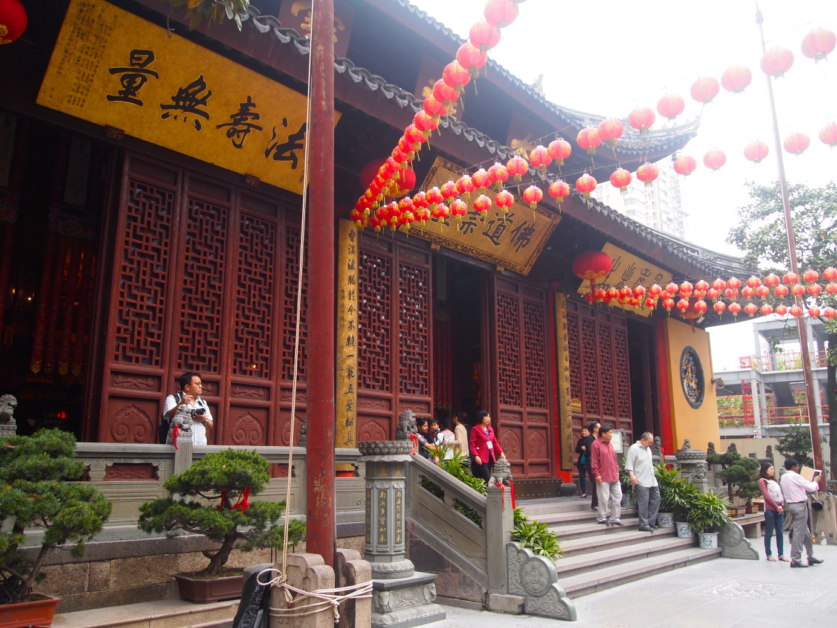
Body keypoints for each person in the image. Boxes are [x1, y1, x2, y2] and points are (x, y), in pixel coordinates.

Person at [779, 458, 824, 568]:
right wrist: (816, 481)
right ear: (794, 467)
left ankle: (810, 556)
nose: (798, 468)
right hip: (799, 505)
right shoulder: (795, 476)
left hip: (791, 505)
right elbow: (811, 487)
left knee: (805, 531)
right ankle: (795, 558)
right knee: (799, 532)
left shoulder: (783, 477)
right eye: (797, 466)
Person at [163, 371, 213, 446]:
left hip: (200, 445)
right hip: (178, 444)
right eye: (197, 384)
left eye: (201, 383)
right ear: (187, 387)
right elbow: (170, 415)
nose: (201, 386)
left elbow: (210, 425)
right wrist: (181, 404)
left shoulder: (202, 403)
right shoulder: (173, 399)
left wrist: (204, 420)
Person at [625, 431, 659, 532]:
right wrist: (632, 475)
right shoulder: (634, 448)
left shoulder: (648, 449)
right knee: (643, 503)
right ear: (643, 440)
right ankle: (643, 524)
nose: (650, 444)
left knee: (656, 499)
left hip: (652, 480)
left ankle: (650, 522)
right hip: (641, 480)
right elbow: (629, 464)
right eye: (649, 442)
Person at [591, 426, 622, 527]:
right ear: (603, 434)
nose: (611, 435)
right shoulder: (596, 444)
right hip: (603, 475)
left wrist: (617, 471)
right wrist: (596, 474)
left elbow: (614, 459)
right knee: (603, 498)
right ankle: (602, 517)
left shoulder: (610, 445)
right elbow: (594, 461)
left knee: (618, 496)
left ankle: (615, 517)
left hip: (613, 474)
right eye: (610, 433)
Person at [758, 462, 787, 562]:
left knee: (780, 532)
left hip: (779, 508)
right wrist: (776, 506)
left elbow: (780, 494)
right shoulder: (762, 481)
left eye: (773, 469)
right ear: (765, 470)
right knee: (769, 532)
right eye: (771, 469)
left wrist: (781, 505)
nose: (773, 471)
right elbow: (767, 496)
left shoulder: (774, 481)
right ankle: (769, 554)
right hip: (770, 509)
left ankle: (781, 554)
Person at [469, 410, 506, 482]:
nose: (488, 418)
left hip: (489, 457)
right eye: (486, 416)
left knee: (485, 481)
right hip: (480, 459)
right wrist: (476, 456)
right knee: (488, 478)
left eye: (489, 416)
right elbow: (472, 445)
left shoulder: (490, 429)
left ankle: (486, 493)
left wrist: (501, 453)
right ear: (481, 418)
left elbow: (495, 443)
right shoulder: (475, 429)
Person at [585, 422, 601, 511]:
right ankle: (594, 504)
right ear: (595, 429)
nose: (600, 428)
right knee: (595, 482)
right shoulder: (589, 439)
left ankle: (596, 503)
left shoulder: (598, 438)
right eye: (599, 427)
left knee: (598, 483)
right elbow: (588, 451)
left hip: (598, 463)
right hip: (590, 463)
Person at [575, 427, 591, 497]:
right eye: (582, 431)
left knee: (592, 476)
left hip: (590, 460)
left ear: (589, 432)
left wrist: (587, 448)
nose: (583, 432)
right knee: (582, 477)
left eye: (585, 431)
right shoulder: (580, 441)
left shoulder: (591, 440)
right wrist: (581, 448)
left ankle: (595, 490)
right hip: (582, 461)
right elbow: (577, 450)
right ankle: (584, 492)